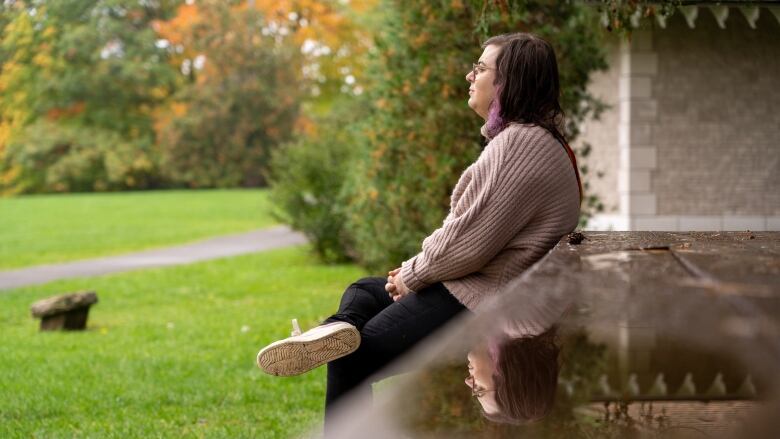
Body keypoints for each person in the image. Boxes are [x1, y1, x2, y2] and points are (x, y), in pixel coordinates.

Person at [256, 32, 582, 433]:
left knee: (353, 357)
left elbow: (467, 242)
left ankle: (332, 338)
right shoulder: (532, 140)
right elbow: (471, 237)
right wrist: (410, 274)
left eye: (480, 68)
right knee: (363, 291)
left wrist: (411, 275)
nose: (469, 75)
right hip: (484, 287)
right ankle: (333, 330)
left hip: (483, 298)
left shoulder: (520, 144)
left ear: (508, 81)